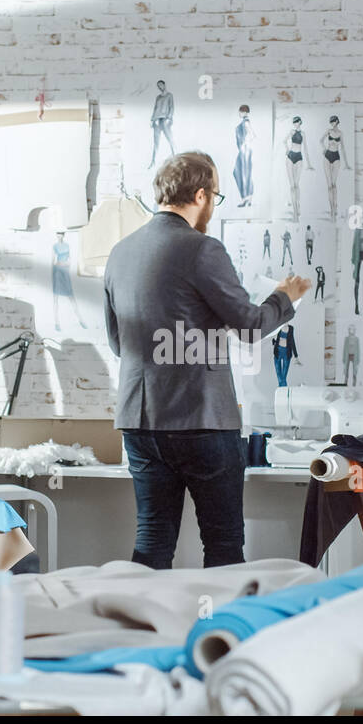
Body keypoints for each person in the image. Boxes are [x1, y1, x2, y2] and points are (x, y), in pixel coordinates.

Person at [105, 151, 311, 569]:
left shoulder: (120, 253)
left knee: (152, 540)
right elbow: (251, 326)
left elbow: (117, 342)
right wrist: (284, 297)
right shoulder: (203, 250)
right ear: (200, 195)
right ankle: (222, 632)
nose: (214, 206)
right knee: (223, 544)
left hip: (140, 423)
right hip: (201, 422)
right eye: (215, 195)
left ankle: (146, 629)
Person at [51, 231, 86, 331]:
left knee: (71, 297)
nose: (59, 236)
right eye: (57, 234)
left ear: (63, 235)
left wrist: (67, 264)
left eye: (61, 234)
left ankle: (81, 320)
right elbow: (52, 261)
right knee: (56, 298)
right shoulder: (55, 246)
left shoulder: (67, 245)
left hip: (65, 271)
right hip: (57, 272)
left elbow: (70, 259)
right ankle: (56, 323)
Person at [284, 116, 313, 219]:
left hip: (299, 157)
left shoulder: (303, 134)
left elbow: (305, 148)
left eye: (296, 122)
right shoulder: (292, 132)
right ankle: (295, 211)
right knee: (292, 186)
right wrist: (287, 149)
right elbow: (284, 141)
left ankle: (298, 204)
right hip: (290, 156)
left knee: (296, 184)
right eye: (294, 122)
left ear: (300, 122)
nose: (295, 123)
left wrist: (309, 164)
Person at [321, 115, 348, 219]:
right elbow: (320, 140)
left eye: (333, 121)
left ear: (337, 121)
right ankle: (331, 209)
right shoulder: (328, 131)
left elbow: (343, 148)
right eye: (331, 122)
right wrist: (324, 149)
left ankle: (335, 205)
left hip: (336, 157)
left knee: (334, 184)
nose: (332, 123)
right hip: (327, 156)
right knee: (329, 186)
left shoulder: (341, 133)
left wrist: (346, 164)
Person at [149, 79, 175, 168]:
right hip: (157, 121)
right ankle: (153, 162)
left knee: (170, 140)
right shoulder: (158, 97)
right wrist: (152, 120)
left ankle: (176, 159)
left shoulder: (169, 95)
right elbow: (155, 108)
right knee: (156, 142)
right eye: (158, 86)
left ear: (164, 85)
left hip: (165, 120)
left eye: (161, 85)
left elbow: (171, 107)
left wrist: (169, 118)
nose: (160, 87)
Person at [233, 105, 255, 207]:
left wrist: (244, 144)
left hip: (245, 150)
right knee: (240, 173)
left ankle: (247, 198)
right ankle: (246, 197)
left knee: (245, 174)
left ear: (245, 112)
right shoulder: (244, 122)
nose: (239, 113)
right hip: (244, 150)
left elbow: (252, 135)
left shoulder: (246, 122)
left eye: (241, 111)